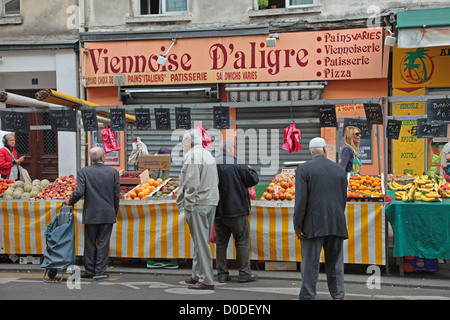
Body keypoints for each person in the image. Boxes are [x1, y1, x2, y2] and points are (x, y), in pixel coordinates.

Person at [293, 137, 348, 300]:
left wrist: (298, 225)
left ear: (310, 152)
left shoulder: (304, 169)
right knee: (335, 262)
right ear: (324, 149)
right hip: (336, 222)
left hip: (313, 224)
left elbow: (301, 201)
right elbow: (342, 199)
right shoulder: (339, 170)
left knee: (310, 263)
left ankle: (308, 296)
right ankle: (339, 295)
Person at [64, 147, 120, 280]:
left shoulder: (83, 172)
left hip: (91, 213)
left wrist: (70, 201)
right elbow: (116, 194)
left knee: (89, 243)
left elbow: (79, 192)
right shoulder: (113, 172)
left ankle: (89, 271)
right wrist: (114, 211)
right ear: (103, 158)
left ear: (91, 159)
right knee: (103, 242)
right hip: (107, 213)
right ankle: (100, 272)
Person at [176, 129, 219, 290]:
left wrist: (187, 203)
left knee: (200, 243)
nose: (182, 143)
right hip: (210, 202)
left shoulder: (193, 156)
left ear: (189, 142)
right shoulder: (208, 154)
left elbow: (191, 183)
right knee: (201, 241)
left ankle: (207, 279)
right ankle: (197, 274)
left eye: (183, 140)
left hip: (198, 204)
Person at [215, 138, 259, 283]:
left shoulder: (212, 163)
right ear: (230, 149)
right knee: (241, 241)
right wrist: (250, 168)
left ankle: (222, 274)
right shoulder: (238, 163)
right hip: (238, 210)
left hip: (218, 210)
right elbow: (253, 180)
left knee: (221, 243)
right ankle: (244, 273)